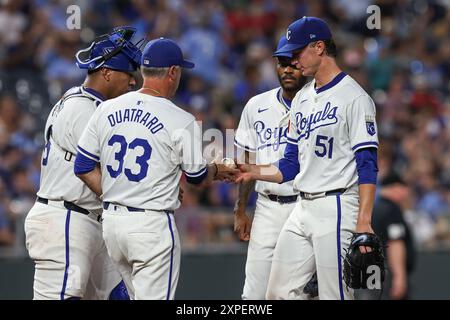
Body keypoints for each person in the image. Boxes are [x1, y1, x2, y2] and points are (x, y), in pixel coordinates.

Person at [74, 37, 238, 300]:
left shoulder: (106, 108)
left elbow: (82, 165)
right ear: (173, 72)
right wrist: (217, 170)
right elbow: (196, 177)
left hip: (113, 225)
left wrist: (120, 194)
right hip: (151, 227)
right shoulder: (181, 119)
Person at [235, 16, 379, 300]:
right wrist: (253, 171)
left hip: (337, 204)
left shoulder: (354, 97)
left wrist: (364, 219)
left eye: (298, 51)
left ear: (319, 48)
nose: (294, 59)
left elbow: (367, 163)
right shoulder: (302, 98)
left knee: (334, 295)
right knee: (276, 293)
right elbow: (290, 164)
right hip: (303, 207)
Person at [24, 26, 143, 300]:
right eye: (128, 74)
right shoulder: (82, 108)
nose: (133, 82)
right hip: (65, 219)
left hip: (88, 221)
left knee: (123, 295)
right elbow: (112, 169)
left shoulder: (82, 101)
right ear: (107, 73)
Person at [233, 35, 308, 299]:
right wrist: (240, 209)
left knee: (297, 293)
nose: (287, 69)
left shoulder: (318, 106)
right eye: (282, 62)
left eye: (293, 63)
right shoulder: (256, 106)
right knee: (254, 293)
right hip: (267, 207)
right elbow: (247, 166)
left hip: (305, 205)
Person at [370, 174, 416, 299]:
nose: (407, 193)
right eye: (405, 188)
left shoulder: (374, 209)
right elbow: (395, 243)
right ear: (396, 187)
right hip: (388, 274)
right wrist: (399, 277)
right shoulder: (391, 210)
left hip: (372, 274)